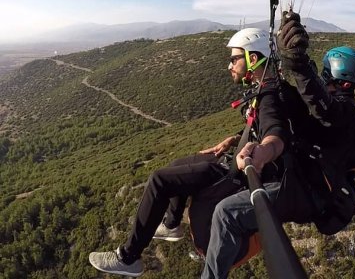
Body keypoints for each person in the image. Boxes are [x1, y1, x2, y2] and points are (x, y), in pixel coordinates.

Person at [88, 28, 292, 277]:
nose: (229, 65)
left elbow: (275, 129)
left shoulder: (270, 96)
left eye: (234, 58)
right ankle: (172, 225)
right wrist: (235, 138)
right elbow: (262, 124)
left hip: (236, 174)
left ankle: (128, 257)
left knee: (160, 179)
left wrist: (265, 149)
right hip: (233, 159)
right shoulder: (267, 87)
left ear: (252, 58)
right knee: (178, 163)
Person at [201, 11, 355, 279]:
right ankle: (228, 244)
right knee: (229, 201)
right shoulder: (347, 119)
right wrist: (272, 88)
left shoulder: (348, 117)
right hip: (306, 183)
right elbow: (305, 114)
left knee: (227, 213)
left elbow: (324, 109)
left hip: (309, 194)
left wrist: (300, 64)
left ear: (330, 74)